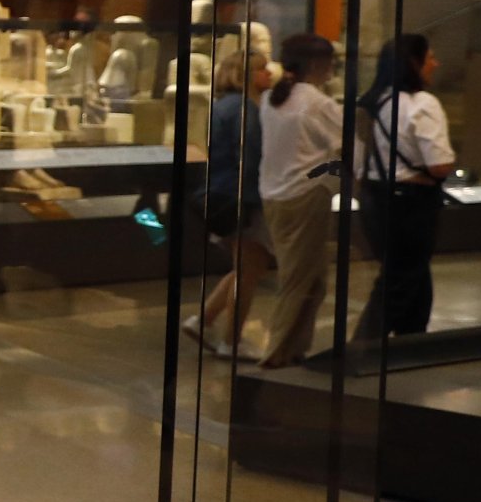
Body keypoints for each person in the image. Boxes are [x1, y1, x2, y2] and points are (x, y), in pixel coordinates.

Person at [353, 31, 457, 352]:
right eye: (430, 58)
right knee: (400, 280)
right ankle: (362, 349)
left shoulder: (373, 103)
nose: (435, 64)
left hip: (375, 197)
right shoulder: (422, 104)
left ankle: (412, 345)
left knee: (412, 276)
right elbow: (439, 165)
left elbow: (357, 159)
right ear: (414, 63)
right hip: (411, 203)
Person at [255, 35, 344, 369]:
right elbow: (348, 145)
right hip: (305, 195)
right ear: (318, 64)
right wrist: (333, 174)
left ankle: (295, 347)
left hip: (274, 193)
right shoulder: (317, 103)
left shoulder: (270, 99)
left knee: (313, 278)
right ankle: (276, 351)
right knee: (297, 278)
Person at [188, 54, 271, 355]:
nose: (268, 74)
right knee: (249, 270)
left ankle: (204, 320)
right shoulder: (244, 109)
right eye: (262, 69)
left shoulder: (223, 105)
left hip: (223, 191)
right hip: (241, 195)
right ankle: (230, 340)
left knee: (246, 267)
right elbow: (250, 157)